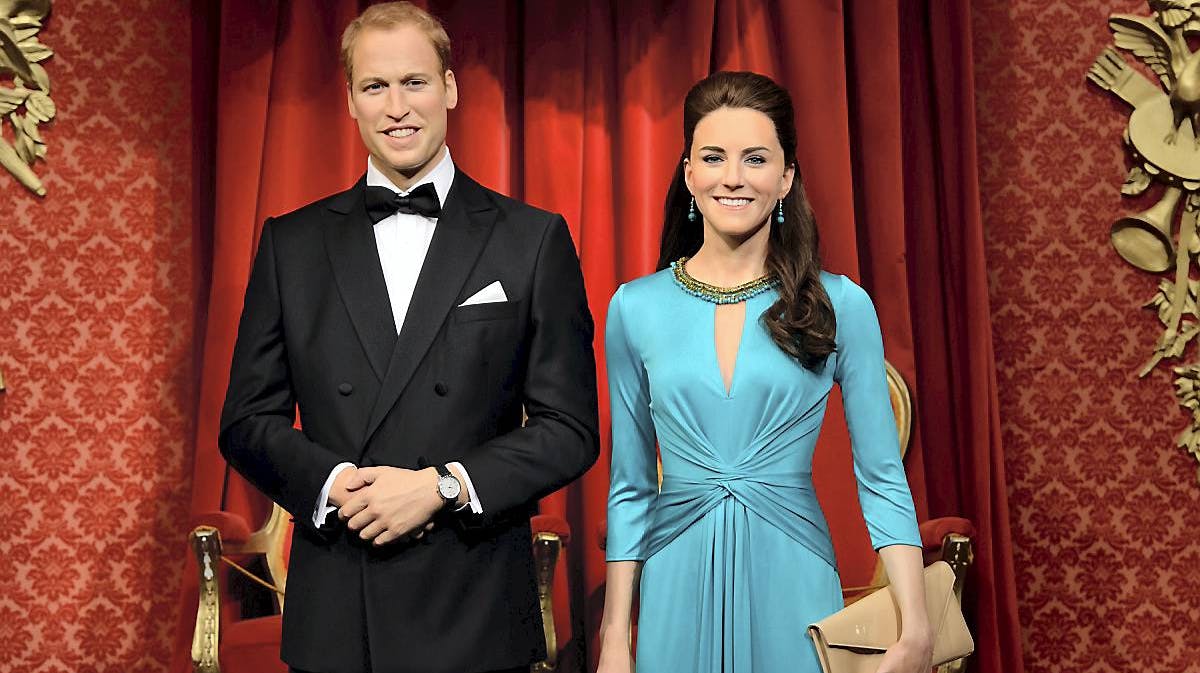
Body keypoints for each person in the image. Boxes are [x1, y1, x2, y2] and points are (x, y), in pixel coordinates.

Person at [218, 4, 599, 673]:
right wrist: (336, 483)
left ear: (450, 87)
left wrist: (444, 486)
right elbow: (246, 420)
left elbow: (570, 427)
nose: (397, 107)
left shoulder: (532, 239)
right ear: (350, 101)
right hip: (339, 611)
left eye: (415, 82)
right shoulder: (292, 243)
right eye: (375, 86)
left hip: (477, 608)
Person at [596, 71, 932, 673]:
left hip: (793, 570)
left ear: (786, 178)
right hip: (674, 573)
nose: (733, 177)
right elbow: (629, 487)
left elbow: (882, 476)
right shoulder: (633, 308)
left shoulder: (840, 305)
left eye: (755, 158)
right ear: (688, 172)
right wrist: (615, 637)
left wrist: (916, 627)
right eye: (714, 157)